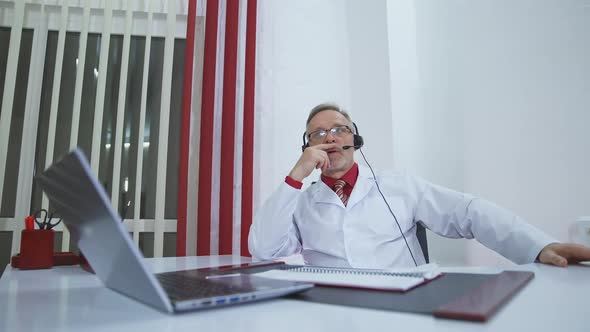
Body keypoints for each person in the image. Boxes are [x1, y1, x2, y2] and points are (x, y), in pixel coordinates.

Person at [248, 103, 590, 268]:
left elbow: (468, 212)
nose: (331, 137)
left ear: (357, 139)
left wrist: (538, 246)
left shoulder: (399, 185)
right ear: (308, 145)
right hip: (327, 312)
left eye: (340, 129)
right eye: (319, 133)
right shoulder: (302, 201)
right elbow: (264, 249)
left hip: (401, 307)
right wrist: (295, 176)